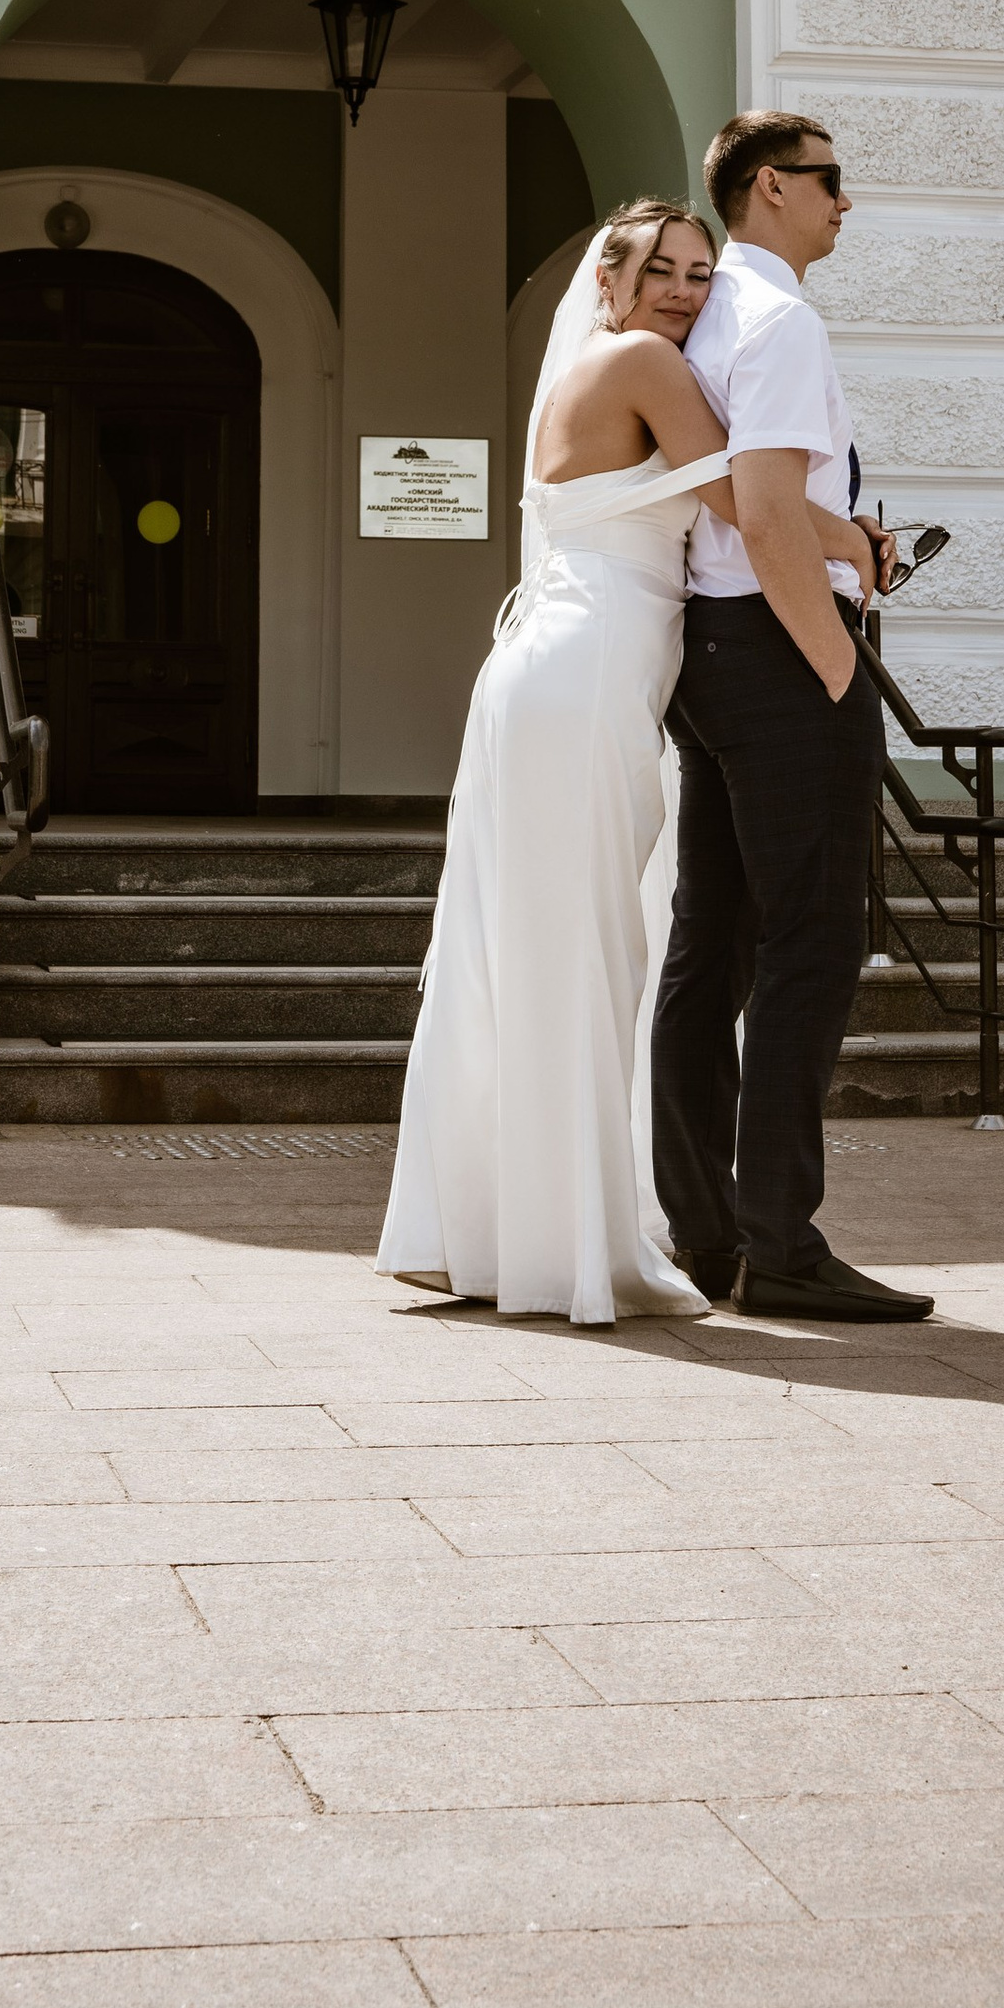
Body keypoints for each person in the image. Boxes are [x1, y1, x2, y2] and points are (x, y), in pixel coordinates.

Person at [376, 199, 734, 1326]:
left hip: (554, 675)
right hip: (582, 685)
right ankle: (574, 1253)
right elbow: (741, 503)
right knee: (585, 957)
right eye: (662, 269)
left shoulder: (595, 366)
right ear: (611, 285)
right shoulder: (642, 363)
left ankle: (484, 1236)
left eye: (700, 272)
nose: (684, 289)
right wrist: (858, 540)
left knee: (529, 958)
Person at [651, 111, 937, 1325]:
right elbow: (764, 511)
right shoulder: (776, 318)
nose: (844, 201)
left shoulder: (712, 317)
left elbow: (743, 495)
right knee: (811, 948)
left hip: (711, 654)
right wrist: (835, 667)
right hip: (777, 654)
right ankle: (782, 1241)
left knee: (709, 947)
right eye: (830, 180)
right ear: (770, 187)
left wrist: (847, 543)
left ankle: (709, 1235)